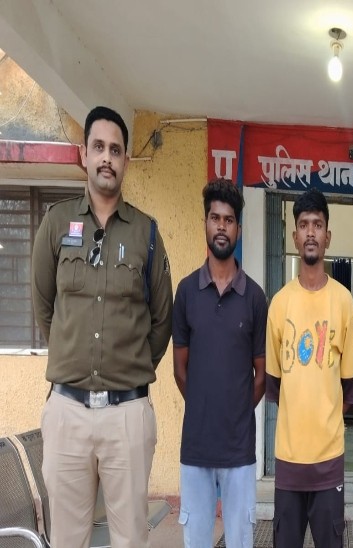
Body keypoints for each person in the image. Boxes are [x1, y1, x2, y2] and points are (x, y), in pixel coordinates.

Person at [31, 106, 173, 548]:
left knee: (130, 538)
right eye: (98, 147)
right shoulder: (56, 223)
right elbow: (43, 305)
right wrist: (71, 353)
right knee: (67, 539)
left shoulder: (146, 233)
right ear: (84, 154)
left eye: (115, 149)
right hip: (67, 413)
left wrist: (127, 366)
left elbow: (162, 319)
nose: (106, 157)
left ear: (126, 159)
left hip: (126, 415)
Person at [172, 179, 267, 547]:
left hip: (239, 451)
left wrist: (235, 412)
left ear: (238, 228)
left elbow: (261, 374)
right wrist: (204, 406)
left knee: (240, 540)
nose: (222, 227)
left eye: (229, 220)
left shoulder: (254, 297)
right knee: (196, 541)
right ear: (205, 224)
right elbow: (180, 369)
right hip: (196, 446)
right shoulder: (186, 292)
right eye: (215, 218)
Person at [265, 188, 353, 548]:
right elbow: (276, 387)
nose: (310, 232)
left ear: (327, 236)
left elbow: (349, 389)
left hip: (329, 463)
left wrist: (324, 419)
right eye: (303, 224)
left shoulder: (343, 302)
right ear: (294, 236)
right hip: (288, 463)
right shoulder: (279, 304)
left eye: (317, 225)